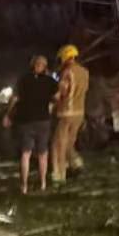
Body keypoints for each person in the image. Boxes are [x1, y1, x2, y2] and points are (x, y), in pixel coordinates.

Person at [3, 55, 58, 194]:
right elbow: (57, 97)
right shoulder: (50, 81)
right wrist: (51, 107)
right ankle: (43, 184)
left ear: (32, 65)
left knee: (26, 153)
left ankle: (24, 186)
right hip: (43, 120)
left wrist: (8, 115)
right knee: (43, 153)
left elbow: (15, 98)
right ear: (45, 66)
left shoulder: (23, 79)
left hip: (25, 120)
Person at [50, 44, 89, 185]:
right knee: (69, 143)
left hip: (67, 113)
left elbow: (61, 93)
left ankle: (59, 175)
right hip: (80, 113)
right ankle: (77, 163)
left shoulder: (67, 72)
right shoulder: (84, 72)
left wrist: (51, 102)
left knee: (58, 145)